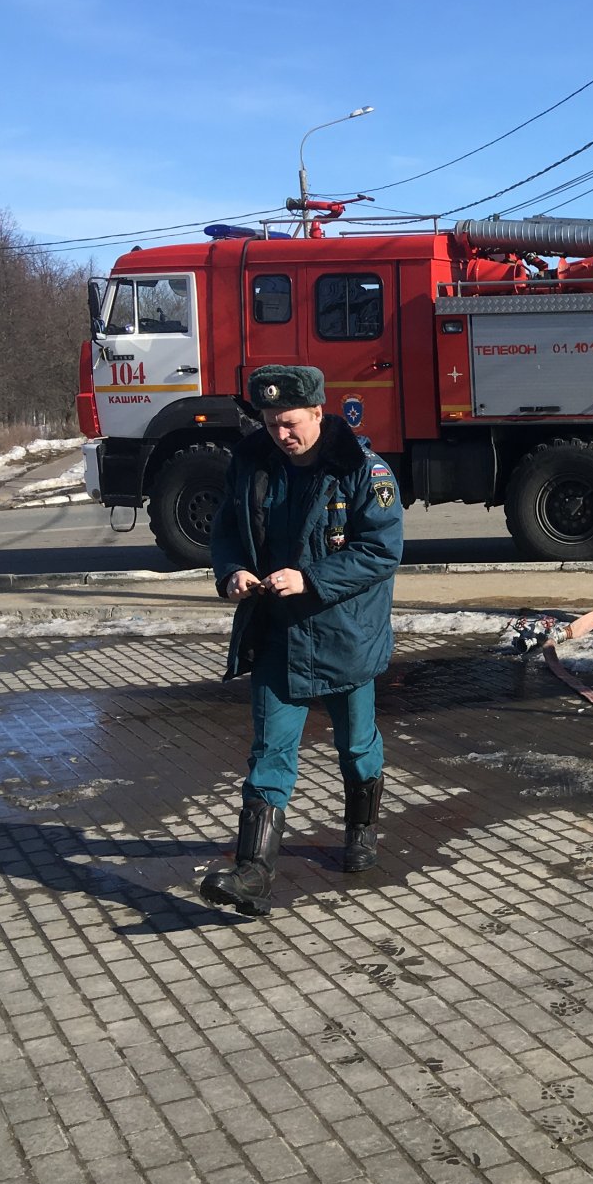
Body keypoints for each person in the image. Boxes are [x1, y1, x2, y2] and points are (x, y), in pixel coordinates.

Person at [200, 365, 405, 917]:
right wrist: (234, 570)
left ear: (318, 412)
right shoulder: (251, 463)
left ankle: (361, 829)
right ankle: (253, 874)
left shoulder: (363, 469)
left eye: (289, 423)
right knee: (269, 751)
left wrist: (311, 578)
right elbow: (226, 529)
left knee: (356, 745)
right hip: (278, 636)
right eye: (269, 424)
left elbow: (382, 552)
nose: (280, 434)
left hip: (344, 636)